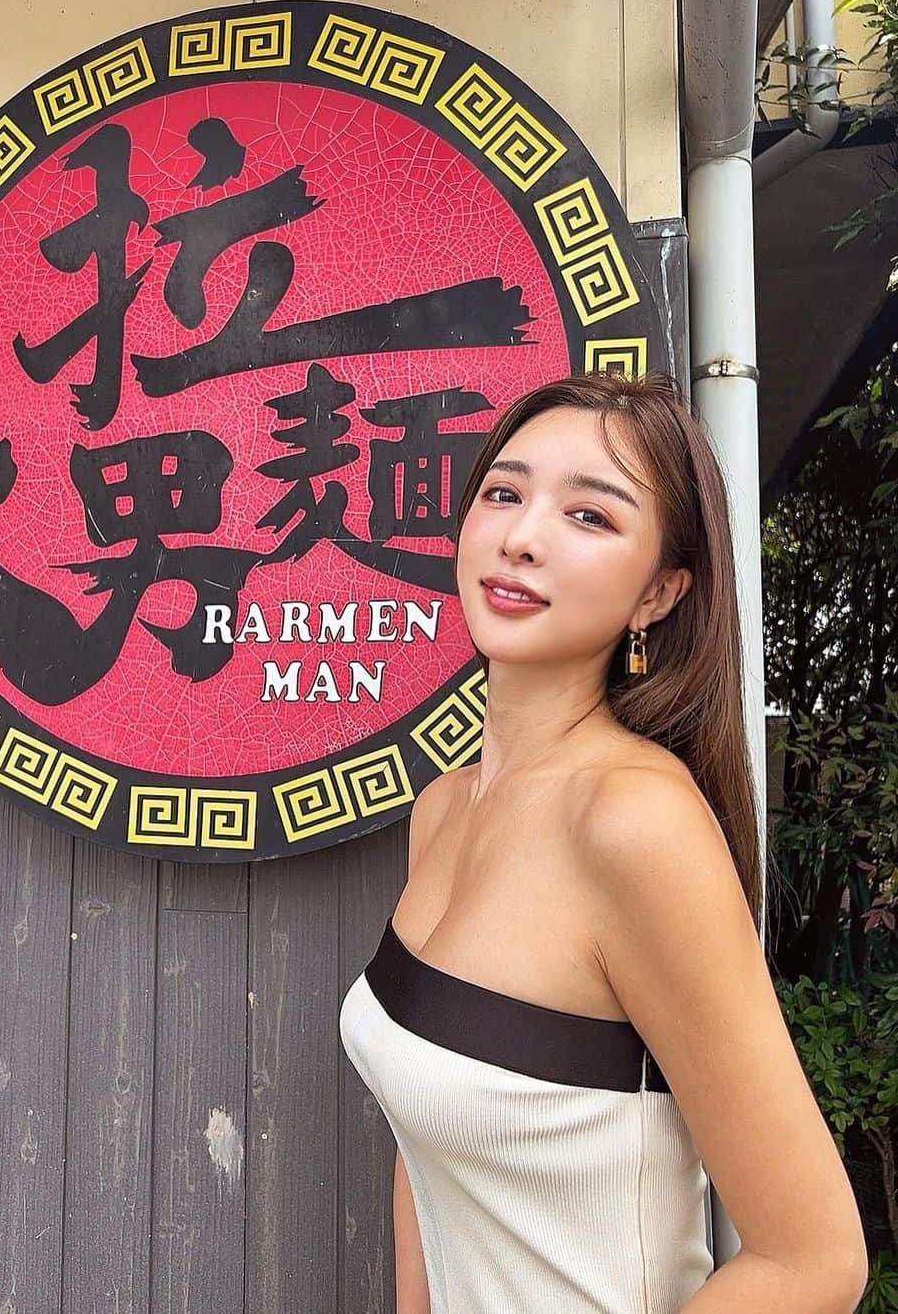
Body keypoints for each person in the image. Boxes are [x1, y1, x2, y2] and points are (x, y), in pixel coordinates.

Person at [338, 371, 868, 1313]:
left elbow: (814, 1260)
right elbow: (423, 1150)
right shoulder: (445, 809)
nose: (522, 536)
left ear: (659, 592)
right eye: (504, 493)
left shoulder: (634, 822)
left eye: (590, 517)